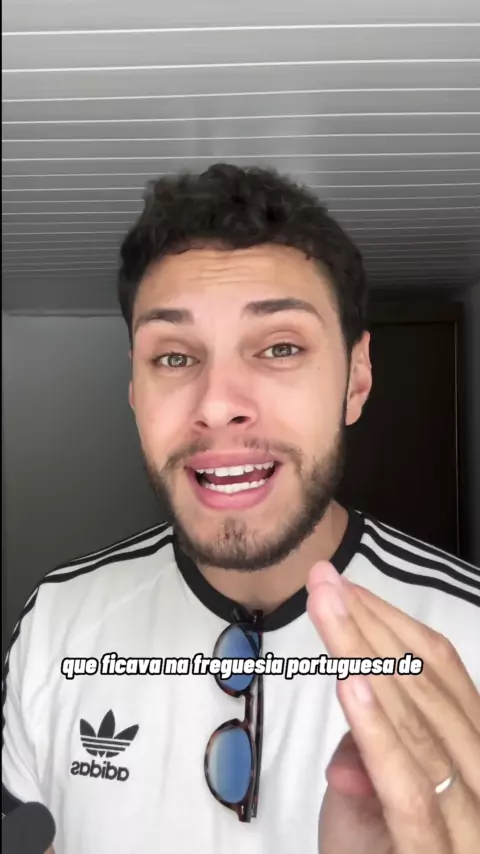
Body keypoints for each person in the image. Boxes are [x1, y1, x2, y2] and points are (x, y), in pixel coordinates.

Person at [2, 163, 479, 854]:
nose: (218, 404)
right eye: (173, 357)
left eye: (280, 347)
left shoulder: (467, 631)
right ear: (134, 390)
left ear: (357, 378)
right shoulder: (59, 621)